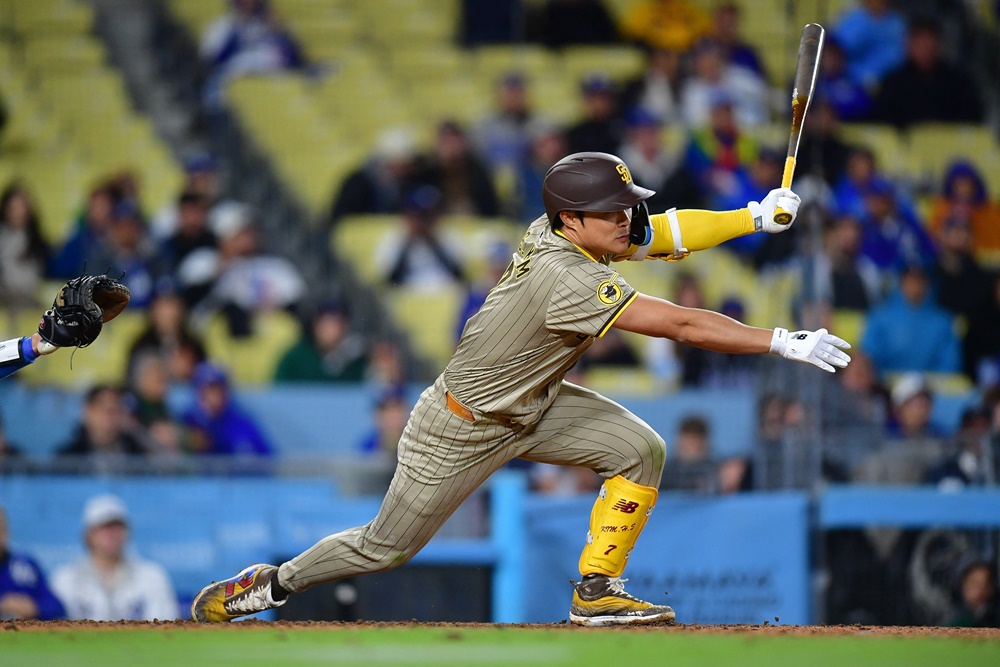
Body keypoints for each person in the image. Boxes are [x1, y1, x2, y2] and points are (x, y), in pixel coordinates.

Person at [191, 151, 850, 627]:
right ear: (571, 220)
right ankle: (272, 583)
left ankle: (596, 590)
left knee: (640, 449)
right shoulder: (564, 273)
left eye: (627, 204)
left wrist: (754, 218)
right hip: (460, 425)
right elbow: (677, 323)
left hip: (532, 406)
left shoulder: (569, 229)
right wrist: (780, 340)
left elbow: (667, 232)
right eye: (612, 211)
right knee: (383, 547)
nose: (628, 218)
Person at [50, 494, 179, 621]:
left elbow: (166, 626)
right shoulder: (65, 578)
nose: (111, 534)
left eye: (117, 527)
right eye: (104, 527)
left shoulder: (152, 576)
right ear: (88, 534)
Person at [871, 18, 984, 130]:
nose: (926, 48)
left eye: (930, 42)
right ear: (908, 45)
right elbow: (884, 121)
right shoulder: (893, 82)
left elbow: (972, 115)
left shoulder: (958, 80)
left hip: (949, 142)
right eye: (920, 43)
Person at [860, 263, 960, 375]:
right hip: (886, 385)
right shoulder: (879, 317)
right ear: (901, 283)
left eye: (920, 280)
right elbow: (869, 356)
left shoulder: (943, 321)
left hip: (932, 387)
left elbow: (949, 362)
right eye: (910, 280)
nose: (915, 285)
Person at [274, 301, 369, 384]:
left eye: (335, 324)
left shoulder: (356, 361)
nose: (329, 330)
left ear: (345, 327)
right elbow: (280, 390)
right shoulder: (296, 357)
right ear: (315, 326)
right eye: (325, 324)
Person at [0, 505, 65, 620]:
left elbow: (56, 606)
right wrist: (3, 603)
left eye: (1, 529)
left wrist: (33, 607)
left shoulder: (24, 566)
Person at [0, 182, 50, 311]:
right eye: (13, 208)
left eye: (21, 207)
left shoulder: (38, 241)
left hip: (28, 297)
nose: (18, 213)